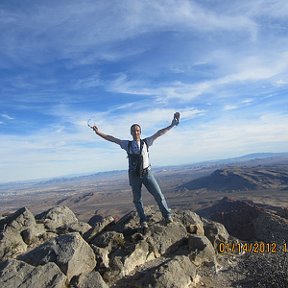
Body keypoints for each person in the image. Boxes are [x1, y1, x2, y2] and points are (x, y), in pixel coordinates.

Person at [91, 112, 180, 229]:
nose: (135, 132)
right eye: (133, 131)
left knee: (159, 195)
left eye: (137, 130)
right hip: (134, 176)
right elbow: (112, 139)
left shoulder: (146, 142)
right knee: (137, 200)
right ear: (131, 133)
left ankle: (167, 215)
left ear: (140, 132)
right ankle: (143, 220)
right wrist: (98, 133)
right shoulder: (126, 144)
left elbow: (159, 133)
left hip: (147, 173)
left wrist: (172, 124)